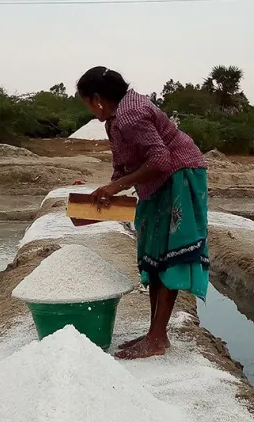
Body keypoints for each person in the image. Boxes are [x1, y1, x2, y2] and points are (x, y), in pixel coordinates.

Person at [77, 66, 208, 360]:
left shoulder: (131, 114)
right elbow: (125, 161)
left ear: (96, 98)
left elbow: (160, 159)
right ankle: (154, 333)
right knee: (153, 254)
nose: (87, 108)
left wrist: (116, 187)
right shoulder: (115, 117)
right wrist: (108, 189)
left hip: (178, 176)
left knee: (168, 254)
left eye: (85, 102)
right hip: (158, 181)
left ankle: (158, 338)